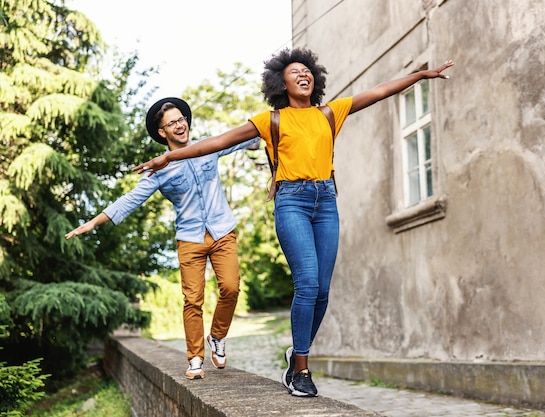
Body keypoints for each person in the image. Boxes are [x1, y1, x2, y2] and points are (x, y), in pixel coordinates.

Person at [134, 49, 454, 397]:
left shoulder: (330, 113)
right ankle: (301, 369)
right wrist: (169, 156)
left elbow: (378, 91)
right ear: (280, 83)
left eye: (307, 71)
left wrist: (421, 76)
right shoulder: (269, 121)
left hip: (326, 202)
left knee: (323, 291)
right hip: (292, 202)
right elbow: (214, 143)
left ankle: (295, 353)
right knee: (307, 284)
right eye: (295, 72)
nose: (304, 75)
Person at [66, 97, 259, 380]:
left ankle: (217, 336)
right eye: (172, 123)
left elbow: (244, 137)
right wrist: (94, 222)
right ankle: (195, 358)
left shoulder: (208, 147)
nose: (180, 125)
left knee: (230, 287)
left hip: (222, 231)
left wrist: (271, 127)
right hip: (190, 238)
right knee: (192, 299)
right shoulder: (160, 170)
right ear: (162, 132)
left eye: (181, 119)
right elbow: (130, 199)